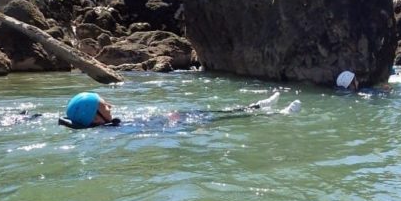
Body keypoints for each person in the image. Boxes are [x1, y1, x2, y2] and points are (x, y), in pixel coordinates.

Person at [59, 91, 300, 129]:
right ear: (97, 118)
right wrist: (184, 129)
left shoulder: (109, 126)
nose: (110, 106)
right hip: (173, 126)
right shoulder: (112, 132)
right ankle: (277, 114)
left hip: (168, 120)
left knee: (211, 113)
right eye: (104, 106)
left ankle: (256, 106)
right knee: (211, 121)